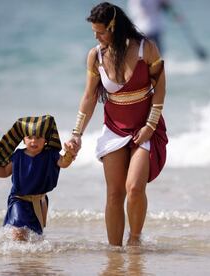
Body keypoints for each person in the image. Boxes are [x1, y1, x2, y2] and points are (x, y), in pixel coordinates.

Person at [68, 2, 168, 246]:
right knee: (114, 194)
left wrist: (150, 126)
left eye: (101, 31)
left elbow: (161, 87)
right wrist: (77, 134)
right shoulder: (96, 56)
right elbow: (90, 97)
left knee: (134, 188)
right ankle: (114, 254)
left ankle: (134, 241)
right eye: (94, 32)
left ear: (114, 27)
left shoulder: (146, 48)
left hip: (144, 128)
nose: (97, 37)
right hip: (114, 128)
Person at [0, 115, 75, 241]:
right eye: (29, 137)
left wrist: (69, 154)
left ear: (46, 139)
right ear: (23, 139)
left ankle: (27, 259)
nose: (33, 141)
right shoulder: (18, 155)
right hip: (18, 200)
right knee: (18, 231)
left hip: (39, 202)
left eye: (38, 138)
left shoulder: (51, 155)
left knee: (34, 237)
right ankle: (16, 256)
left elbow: (63, 163)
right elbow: (5, 171)